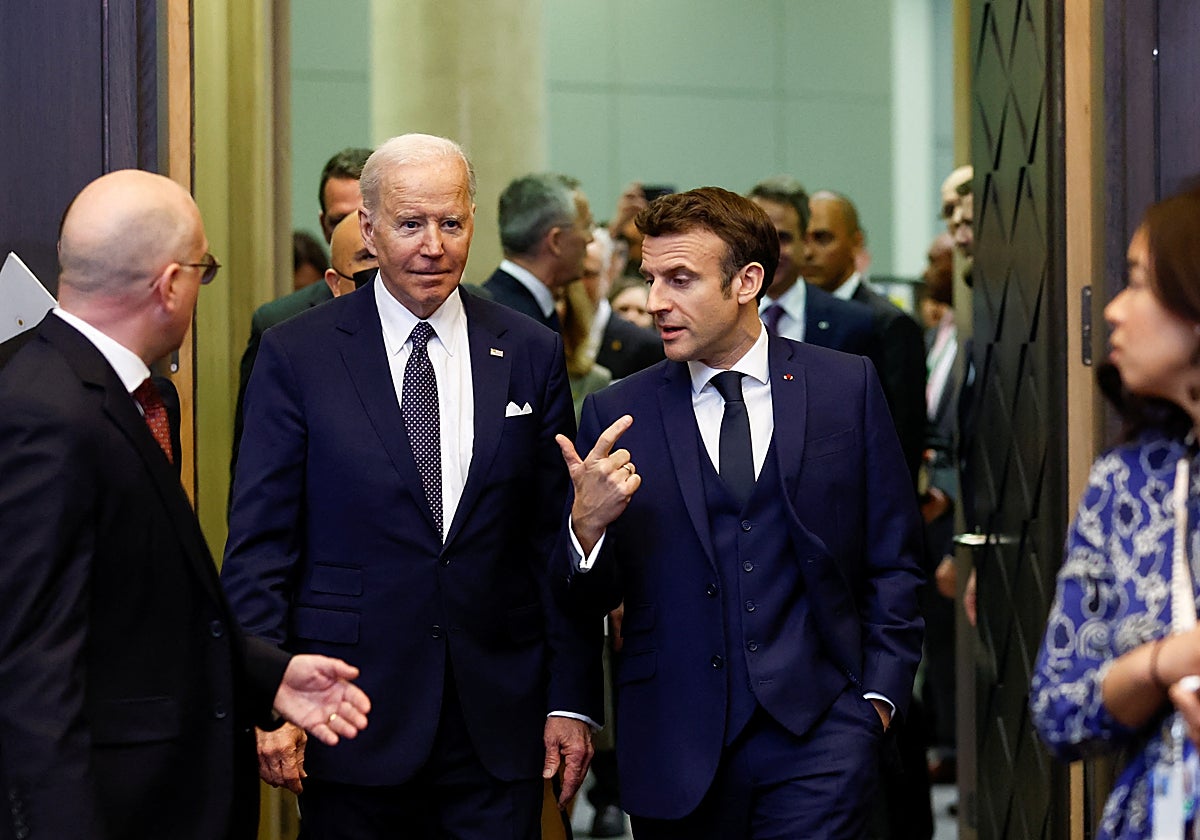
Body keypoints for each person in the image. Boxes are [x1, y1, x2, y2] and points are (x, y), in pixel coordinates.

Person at [221, 134, 601, 840]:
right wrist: (267, 698)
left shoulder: (528, 350)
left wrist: (571, 699)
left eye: (450, 223)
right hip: (349, 713)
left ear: (473, 223)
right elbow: (261, 544)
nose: (432, 245)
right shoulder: (296, 354)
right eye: (410, 224)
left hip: (498, 721)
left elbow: (554, 543)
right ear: (367, 227)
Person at [0, 169, 370, 840]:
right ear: (170, 285)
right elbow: (31, 665)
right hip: (117, 809)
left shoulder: (123, 397)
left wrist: (270, 674)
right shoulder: (46, 414)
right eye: (204, 270)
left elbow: (146, 608)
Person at [556, 186, 925, 838]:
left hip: (821, 736)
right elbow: (588, 598)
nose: (657, 302)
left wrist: (878, 700)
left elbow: (895, 554)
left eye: (681, 279)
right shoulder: (617, 415)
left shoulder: (845, 387)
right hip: (674, 743)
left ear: (747, 281)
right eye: (650, 278)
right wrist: (585, 528)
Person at [1031, 185, 1200, 840]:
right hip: (1158, 815)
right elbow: (1058, 710)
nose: (1116, 312)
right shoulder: (1129, 484)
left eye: (1140, 283)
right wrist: (1163, 662)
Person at [231, 146, 373, 486]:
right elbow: (255, 467)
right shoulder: (279, 326)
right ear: (324, 225)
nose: (356, 230)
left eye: (366, 216)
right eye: (341, 219)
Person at [804, 190, 927, 488]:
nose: (808, 252)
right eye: (802, 238)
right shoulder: (788, 319)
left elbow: (903, 435)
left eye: (822, 238)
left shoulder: (888, 324)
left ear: (856, 242)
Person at [746, 176, 877, 356]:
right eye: (760, 236)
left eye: (783, 238)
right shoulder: (720, 318)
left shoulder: (853, 323)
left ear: (805, 242)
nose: (771, 250)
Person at [482, 173, 594, 333]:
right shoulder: (515, 325)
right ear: (556, 241)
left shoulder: (502, 308)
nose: (590, 238)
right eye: (586, 226)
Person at [582, 229, 664, 381]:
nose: (577, 283)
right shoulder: (544, 325)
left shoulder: (647, 347)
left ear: (608, 274)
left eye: (588, 274)